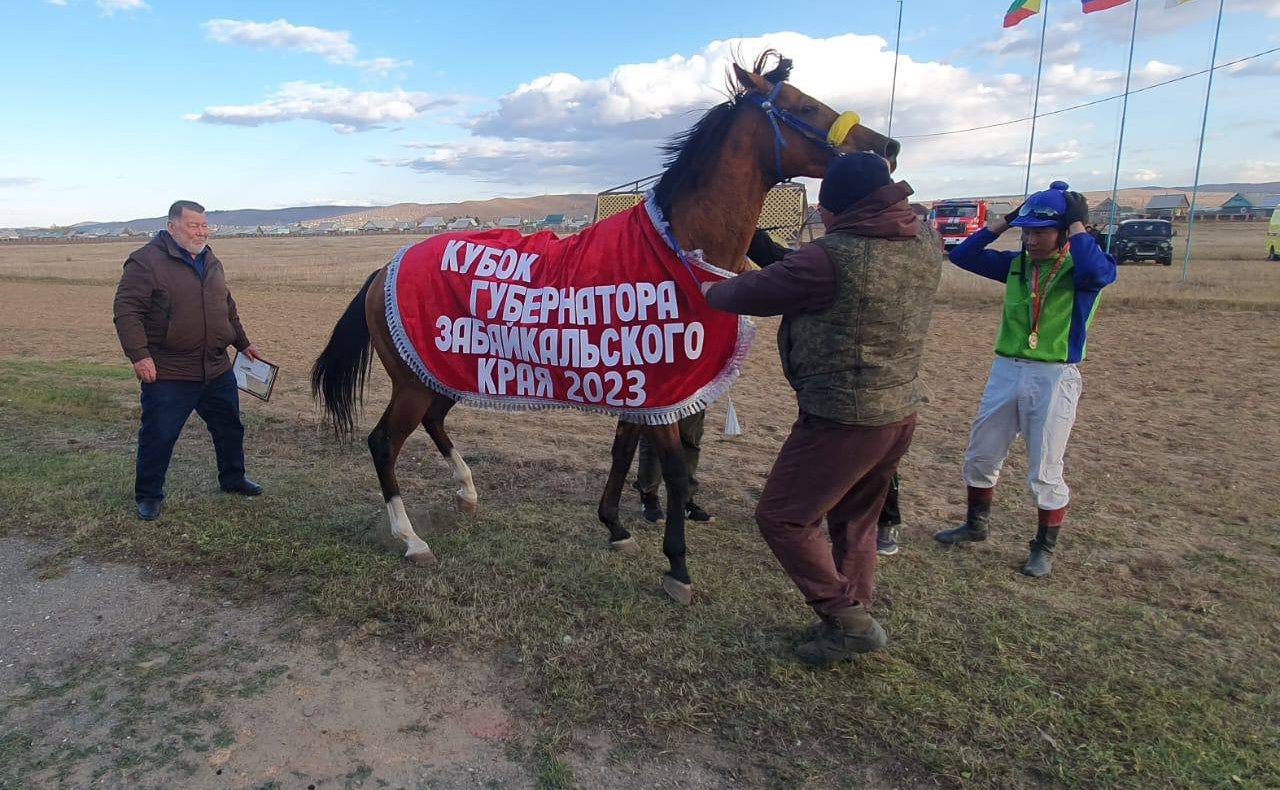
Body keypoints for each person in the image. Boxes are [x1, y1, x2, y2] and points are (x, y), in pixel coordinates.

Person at [704, 153, 943, 666]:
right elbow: (807, 273)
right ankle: (851, 616)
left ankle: (847, 618)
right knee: (855, 521)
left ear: (834, 210)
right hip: (898, 411)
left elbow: (749, 292)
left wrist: (702, 285)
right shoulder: (924, 239)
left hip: (843, 418)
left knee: (783, 517)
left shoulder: (831, 257)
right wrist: (766, 247)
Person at [934, 181, 1116, 577]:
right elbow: (963, 255)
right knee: (981, 453)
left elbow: (1098, 272)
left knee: (1045, 467)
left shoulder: (1081, 271)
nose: (1030, 240)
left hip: (1053, 376)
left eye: (1040, 231)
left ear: (1065, 232)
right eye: (1026, 231)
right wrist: (1006, 222)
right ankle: (975, 526)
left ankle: (1043, 548)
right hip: (1006, 370)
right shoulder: (1017, 265)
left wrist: (1079, 226)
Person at [749, 229, 904, 558]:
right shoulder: (830, 253)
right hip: (833, 385)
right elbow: (785, 262)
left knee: (870, 458)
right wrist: (746, 227)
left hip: (867, 384)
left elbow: (780, 277)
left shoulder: (873, 255)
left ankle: (886, 520)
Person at [112, 200, 265, 521]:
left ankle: (233, 479)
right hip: (170, 369)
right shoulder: (146, 262)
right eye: (193, 225)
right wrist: (140, 356)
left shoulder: (210, 259)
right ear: (172, 227)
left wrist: (243, 342)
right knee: (160, 434)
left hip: (216, 366)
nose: (201, 231)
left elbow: (226, 305)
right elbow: (127, 312)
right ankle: (149, 495)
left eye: (204, 225)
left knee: (229, 428)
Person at [633, 412, 712, 523]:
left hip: (692, 395)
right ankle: (649, 495)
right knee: (654, 436)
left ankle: (684, 500)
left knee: (690, 438)